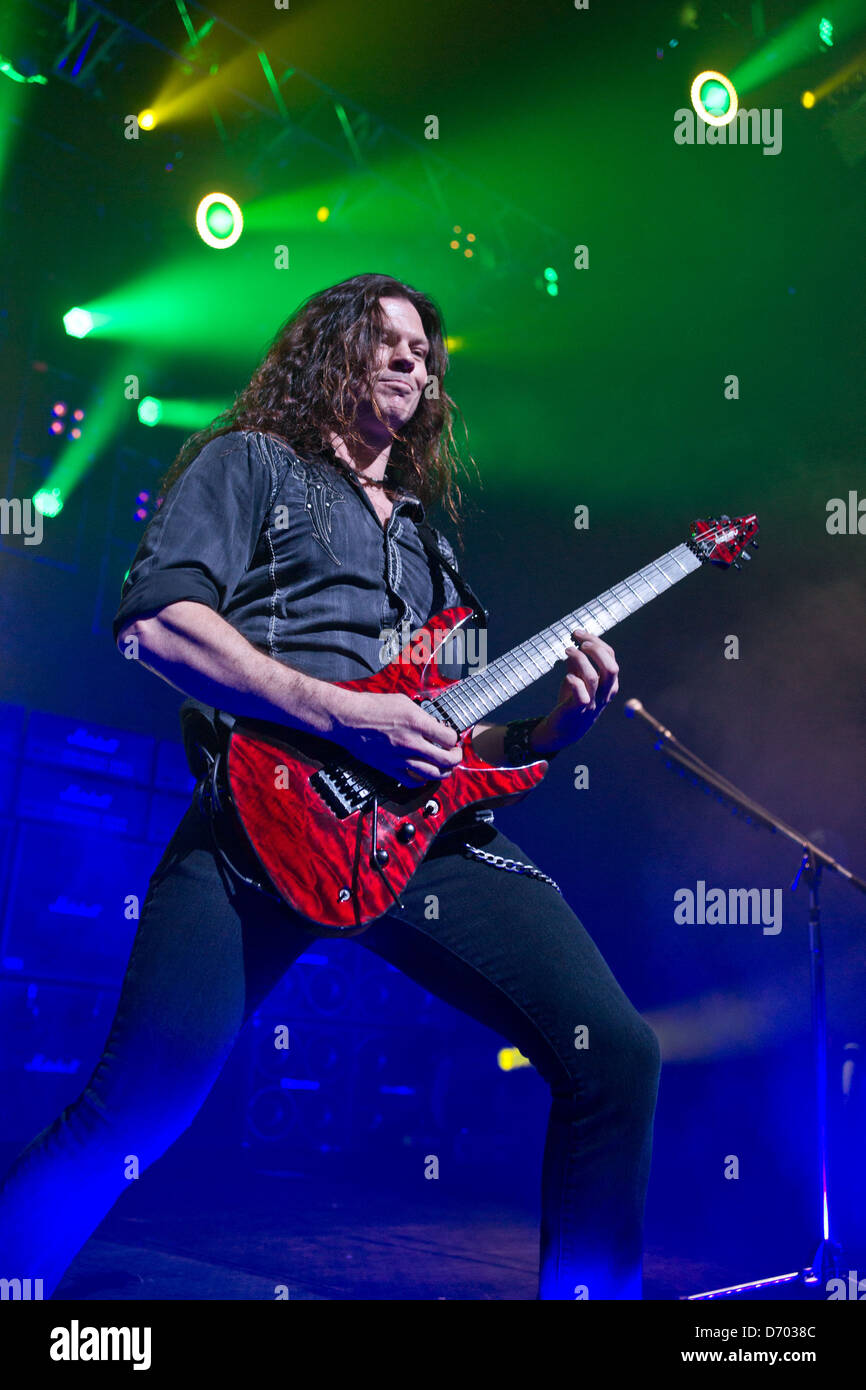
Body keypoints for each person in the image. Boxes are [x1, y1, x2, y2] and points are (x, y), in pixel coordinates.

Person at [0, 272, 660, 1300]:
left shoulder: (429, 543)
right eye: (384, 338)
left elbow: (444, 737)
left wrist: (553, 727)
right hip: (260, 821)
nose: (413, 357)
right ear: (328, 353)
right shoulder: (250, 463)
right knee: (130, 1116)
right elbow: (159, 625)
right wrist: (342, 712)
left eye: (424, 349)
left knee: (614, 1055)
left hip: (412, 840)